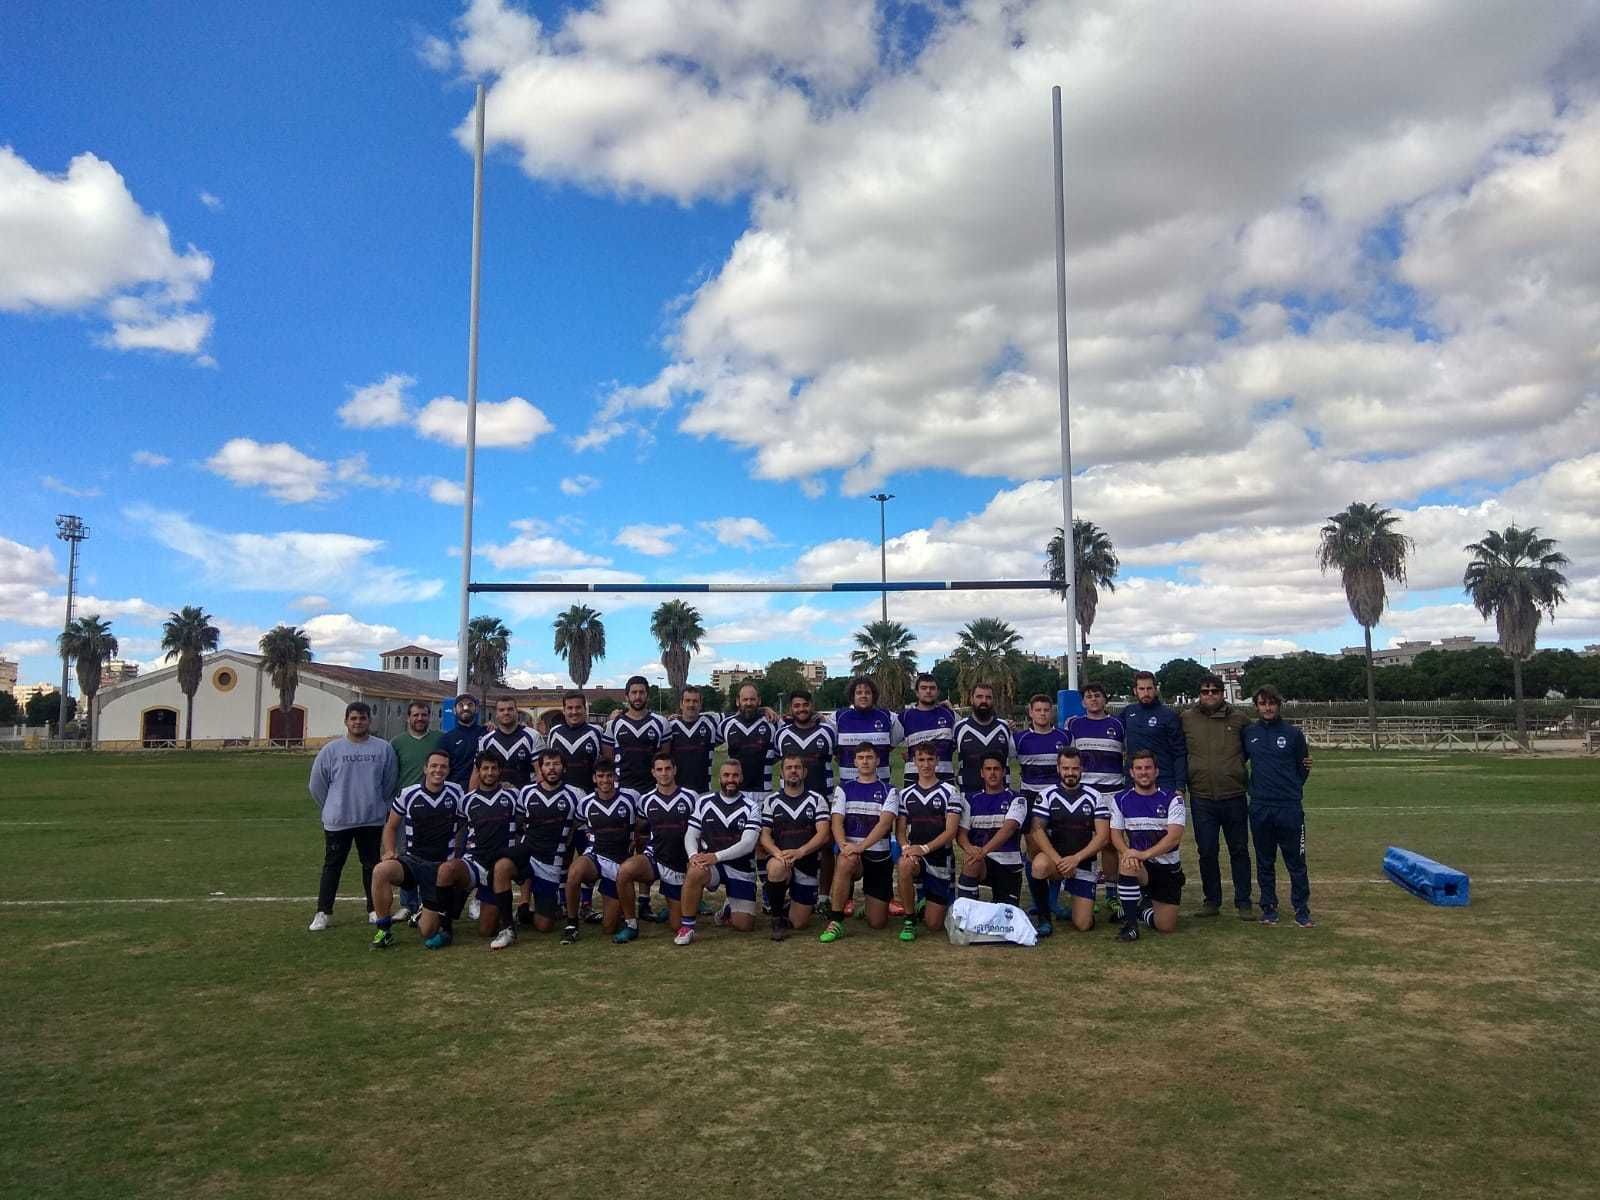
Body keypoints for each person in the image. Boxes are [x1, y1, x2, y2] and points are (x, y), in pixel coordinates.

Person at [307, 702, 398, 932]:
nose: (358, 722)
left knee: (371, 866)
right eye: (354, 718)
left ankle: (373, 909)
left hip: (371, 820)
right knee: (332, 866)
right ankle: (323, 912)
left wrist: (378, 805)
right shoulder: (331, 750)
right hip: (338, 821)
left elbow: (389, 782)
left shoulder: (383, 749)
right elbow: (317, 785)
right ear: (346, 721)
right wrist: (332, 806)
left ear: (370, 721)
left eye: (363, 718)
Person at [371, 748, 461, 950]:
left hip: (440, 868)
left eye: (443, 767)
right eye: (434, 766)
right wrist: (389, 851)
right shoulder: (408, 794)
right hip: (412, 861)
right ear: (425, 768)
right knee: (380, 871)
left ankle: (423, 913)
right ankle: (384, 930)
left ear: (448, 770)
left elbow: (467, 821)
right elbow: (391, 826)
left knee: (427, 931)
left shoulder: (457, 793)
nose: (438, 770)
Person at [1180, 673, 1254, 920]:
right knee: (1207, 851)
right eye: (1205, 691)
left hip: (1234, 795)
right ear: (1199, 694)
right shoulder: (1187, 719)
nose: (1209, 695)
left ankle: (1243, 902)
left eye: (1214, 690)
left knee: (1239, 850)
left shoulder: (1240, 719)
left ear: (1222, 693)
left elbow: (1254, 748)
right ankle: (1211, 900)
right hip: (1201, 797)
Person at [1242, 684, 1314, 928]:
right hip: (1260, 807)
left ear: (1278, 704)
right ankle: (1268, 908)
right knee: (1264, 860)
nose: (1268, 707)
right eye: (1263, 703)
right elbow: (1240, 763)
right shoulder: (1249, 733)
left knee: (1296, 861)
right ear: (1257, 706)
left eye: (1271, 703)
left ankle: (1301, 910)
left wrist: (1291, 788)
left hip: (1289, 807)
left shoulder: (1293, 734)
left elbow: (1303, 767)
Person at [434, 752, 521, 948]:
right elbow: (458, 832)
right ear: (478, 771)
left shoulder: (514, 797)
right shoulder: (466, 800)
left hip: (498, 865)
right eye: (485, 768)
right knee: (447, 870)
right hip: (474, 861)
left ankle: (499, 910)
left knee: (486, 931)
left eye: (494, 768)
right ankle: (446, 929)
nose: (489, 773)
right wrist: (455, 856)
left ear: (500, 771)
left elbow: (525, 824)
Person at [614, 751, 698, 942]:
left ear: (675, 770)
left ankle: (671, 909)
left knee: (677, 925)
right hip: (654, 856)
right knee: (625, 871)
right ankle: (631, 924)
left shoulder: (691, 797)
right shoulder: (645, 800)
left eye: (668, 768)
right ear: (653, 772)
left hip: (678, 862)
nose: (664, 773)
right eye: (659, 769)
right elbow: (641, 829)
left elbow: (698, 831)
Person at [818, 743, 899, 943]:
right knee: (845, 861)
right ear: (854, 762)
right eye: (861, 757)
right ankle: (836, 921)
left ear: (877, 761)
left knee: (878, 923)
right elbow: (836, 822)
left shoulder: (889, 790)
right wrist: (844, 845)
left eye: (869, 757)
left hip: (879, 856)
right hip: (853, 854)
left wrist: (860, 847)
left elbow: (884, 825)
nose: (865, 761)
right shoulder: (844, 789)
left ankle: (870, 907)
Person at [1027, 747, 1111, 935]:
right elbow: (1037, 830)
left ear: (1082, 769)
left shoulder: (1095, 796)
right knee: (1039, 866)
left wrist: (1076, 859)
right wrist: (1059, 860)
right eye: (1065, 768)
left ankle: (1079, 908)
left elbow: (1103, 836)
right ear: (1058, 769)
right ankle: (1044, 917)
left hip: (1083, 864)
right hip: (1056, 862)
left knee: (1083, 925)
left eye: (1074, 768)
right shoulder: (1046, 795)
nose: (1070, 773)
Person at [677, 761, 762, 944]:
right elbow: (691, 834)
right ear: (719, 778)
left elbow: (748, 844)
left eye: (735, 775)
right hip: (711, 866)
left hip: (740, 867)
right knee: (694, 871)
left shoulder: (752, 807)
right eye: (726, 775)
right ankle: (687, 927)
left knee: (744, 925)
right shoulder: (704, 802)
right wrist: (693, 856)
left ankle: (728, 909)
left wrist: (716, 856)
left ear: (741, 778)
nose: (731, 779)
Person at [608, 676, 670, 922]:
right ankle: (624, 900)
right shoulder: (614, 724)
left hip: (650, 790)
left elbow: (664, 756)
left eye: (642, 692)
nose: (637, 696)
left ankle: (644, 902)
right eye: (633, 692)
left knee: (647, 844)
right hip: (623, 790)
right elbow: (608, 756)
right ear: (626, 696)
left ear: (647, 695)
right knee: (623, 842)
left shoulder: (660, 723)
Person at [1109, 748, 1187, 942]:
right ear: (1132, 772)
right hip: (1140, 866)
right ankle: (1130, 926)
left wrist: (1143, 854)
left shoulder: (1173, 799)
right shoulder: (1120, 800)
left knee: (1165, 927)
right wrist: (1128, 852)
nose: (1144, 772)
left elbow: (1174, 838)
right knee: (1128, 861)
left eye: (1148, 768)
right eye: (1139, 768)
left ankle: (1139, 909)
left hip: (1167, 868)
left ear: (1156, 771)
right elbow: (1115, 835)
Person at [1066, 681, 1127, 917]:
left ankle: (1112, 895)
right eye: (1089, 696)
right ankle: (1083, 893)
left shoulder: (1118, 725)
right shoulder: (1074, 724)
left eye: (1097, 696)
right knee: (1083, 844)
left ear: (1105, 700)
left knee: (1110, 844)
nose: (1093, 699)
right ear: (1083, 702)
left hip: (1112, 794)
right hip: (1084, 794)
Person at [774, 689, 838, 910]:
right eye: (797, 706)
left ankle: (823, 896)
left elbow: (840, 756)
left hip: (823, 797)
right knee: (788, 843)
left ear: (812, 706)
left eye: (805, 705)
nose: (801, 709)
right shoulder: (781, 734)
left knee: (826, 845)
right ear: (791, 708)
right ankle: (786, 893)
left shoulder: (828, 731)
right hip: (790, 799)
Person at [759, 752, 833, 941]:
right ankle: (776, 919)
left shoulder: (817, 799)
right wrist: (777, 854)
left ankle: (785, 905)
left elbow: (824, 833)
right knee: (776, 868)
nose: (793, 771)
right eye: (789, 768)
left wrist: (800, 852)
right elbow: (765, 835)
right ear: (782, 774)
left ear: (804, 772)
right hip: (781, 858)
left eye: (797, 767)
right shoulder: (771, 800)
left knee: (799, 923)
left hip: (806, 862)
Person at [561, 760, 638, 942]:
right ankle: (572, 923)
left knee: (609, 928)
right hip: (595, 856)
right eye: (601, 776)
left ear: (615, 777)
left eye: (609, 776)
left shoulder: (629, 801)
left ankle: (618, 908)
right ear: (594, 778)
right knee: (574, 872)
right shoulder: (585, 803)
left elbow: (638, 831)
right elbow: (575, 828)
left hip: (619, 864)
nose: (605, 780)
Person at [894, 742, 961, 942]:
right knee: (904, 864)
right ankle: (909, 919)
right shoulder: (905, 794)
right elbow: (900, 831)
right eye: (921, 760)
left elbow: (951, 832)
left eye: (930, 759)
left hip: (940, 859)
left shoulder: (951, 792)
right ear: (913, 762)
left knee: (934, 925)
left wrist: (924, 848)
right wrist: (907, 848)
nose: (926, 764)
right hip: (917, 858)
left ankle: (925, 901)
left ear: (937, 761)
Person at [1014, 692, 1070, 922]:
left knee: (1056, 849)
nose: (1042, 714)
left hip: (1057, 801)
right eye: (1038, 710)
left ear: (1052, 712)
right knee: (1035, 850)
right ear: (1030, 712)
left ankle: (1053, 901)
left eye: (1046, 710)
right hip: (1031, 800)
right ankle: (1039, 901)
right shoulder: (1019, 739)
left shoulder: (1065, 737)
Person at [513, 748, 579, 937]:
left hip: (551, 862)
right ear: (540, 768)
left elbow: (578, 827)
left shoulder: (575, 796)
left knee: (545, 925)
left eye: (556, 764)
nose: (552, 768)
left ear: (564, 768)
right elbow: (516, 825)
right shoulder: (526, 792)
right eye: (547, 764)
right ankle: (518, 906)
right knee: (502, 865)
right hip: (528, 854)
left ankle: (528, 914)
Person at [388, 699, 442, 923]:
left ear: (430, 716)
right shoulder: (397, 742)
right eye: (416, 715)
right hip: (405, 808)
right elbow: (392, 774)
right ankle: (407, 904)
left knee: (430, 856)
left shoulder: (439, 739)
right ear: (408, 717)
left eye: (424, 715)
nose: (420, 718)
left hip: (433, 810)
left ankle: (426, 903)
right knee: (405, 855)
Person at [956, 752, 1028, 907]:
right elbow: (961, 834)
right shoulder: (970, 800)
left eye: (996, 769)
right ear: (982, 773)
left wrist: (983, 850)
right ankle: (966, 913)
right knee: (972, 861)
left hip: (1009, 866)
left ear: (1003, 772)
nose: (992, 773)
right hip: (981, 862)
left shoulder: (1017, 799)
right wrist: (971, 849)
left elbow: (1008, 829)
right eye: (988, 769)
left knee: (1005, 918)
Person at [1119, 672, 1187, 797]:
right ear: (1135, 691)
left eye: (1149, 688)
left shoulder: (1168, 716)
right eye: (1141, 689)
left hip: (1163, 780)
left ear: (1155, 690)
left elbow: (1179, 752)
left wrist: (1180, 786)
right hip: (1134, 780)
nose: (1146, 693)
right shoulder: (1128, 712)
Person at [830, 677, 903, 783]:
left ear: (873, 696)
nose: (863, 696)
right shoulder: (838, 717)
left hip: (880, 783)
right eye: (859, 692)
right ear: (852, 696)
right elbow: (830, 743)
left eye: (867, 692)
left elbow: (893, 743)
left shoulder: (888, 717)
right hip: (848, 784)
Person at [545, 690, 613, 795]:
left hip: (589, 795)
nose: (574, 712)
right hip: (561, 796)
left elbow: (606, 763)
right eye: (570, 708)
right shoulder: (554, 732)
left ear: (585, 709)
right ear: (564, 710)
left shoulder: (596, 731)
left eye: (578, 707)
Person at [473, 695, 544, 791]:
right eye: (501, 710)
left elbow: (541, 772)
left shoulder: (533, 736)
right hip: (495, 799)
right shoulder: (485, 741)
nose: (506, 713)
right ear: (496, 714)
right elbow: (477, 772)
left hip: (524, 798)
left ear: (516, 711)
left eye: (510, 709)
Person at [953, 683, 1014, 794]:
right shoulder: (959, 728)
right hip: (969, 796)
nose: (984, 701)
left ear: (993, 700)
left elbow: (1015, 757)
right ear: (971, 699)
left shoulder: (1004, 727)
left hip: (1001, 798)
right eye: (979, 697)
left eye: (988, 697)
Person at [898, 672, 956, 787]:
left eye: (932, 688)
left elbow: (962, 739)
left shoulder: (949, 715)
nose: (928, 691)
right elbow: (886, 744)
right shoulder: (905, 717)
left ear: (938, 692)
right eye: (924, 688)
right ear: (917, 693)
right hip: (914, 779)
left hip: (944, 778)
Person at [665, 684, 723, 793]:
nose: (691, 704)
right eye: (687, 701)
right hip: (676, 792)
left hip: (704, 791)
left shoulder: (711, 722)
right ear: (681, 704)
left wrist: (761, 710)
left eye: (695, 701)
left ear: (700, 705)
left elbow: (738, 716)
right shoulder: (670, 726)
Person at [436, 693, 483, 789]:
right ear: (454, 710)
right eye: (461, 705)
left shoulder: (486, 734)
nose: (465, 708)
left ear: (476, 709)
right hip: (455, 791)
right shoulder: (446, 739)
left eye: (470, 705)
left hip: (482, 792)